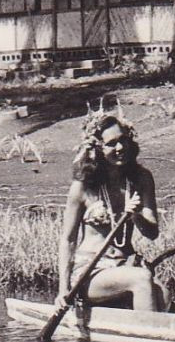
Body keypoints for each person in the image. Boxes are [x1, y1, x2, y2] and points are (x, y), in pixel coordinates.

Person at [56, 111, 168, 311]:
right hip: (91, 270)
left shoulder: (142, 178)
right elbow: (68, 240)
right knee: (142, 280)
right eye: (111, 143)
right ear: (97, 148)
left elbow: (152, 233)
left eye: (123, 140)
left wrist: (135, 215)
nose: (120, 148)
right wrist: (63, 289)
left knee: (165, 296)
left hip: (126, 264)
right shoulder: (83, 186)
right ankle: (147, 337)